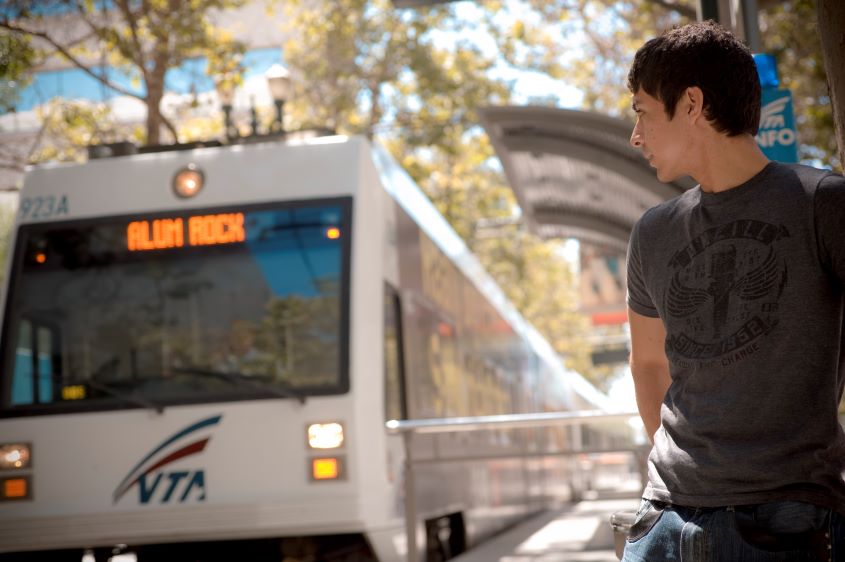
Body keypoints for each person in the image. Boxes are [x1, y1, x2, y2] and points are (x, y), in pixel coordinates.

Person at [623, 20, 845, 561]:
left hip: (785, 518)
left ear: (692, 104)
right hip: (664, 519)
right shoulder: (652, 231)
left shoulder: (825, 204)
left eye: (642, 113)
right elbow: (648, 364)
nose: (635, 136)